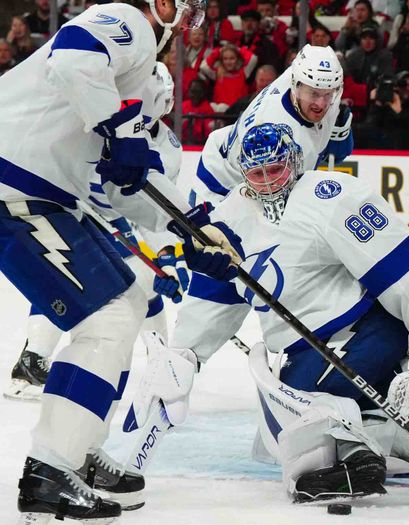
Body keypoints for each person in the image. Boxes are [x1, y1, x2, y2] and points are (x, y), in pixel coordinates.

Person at [165, 122, 409, 502]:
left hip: (367, 331)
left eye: (275, 170)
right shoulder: (230, 219)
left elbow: (399, 265)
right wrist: (185, 353)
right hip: (307, 349)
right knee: (289, 412)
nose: (268, 183)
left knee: (304, 416)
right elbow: (218, 296)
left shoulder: (329, 194)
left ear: (293, 160)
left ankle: (357, 458)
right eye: (257, 174)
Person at [0, 1, 244, 520]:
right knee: (108, 317)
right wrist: (119, 127)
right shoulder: (127, 21)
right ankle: (49, 470)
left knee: (130, 301)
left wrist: (196, 231)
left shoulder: (132, 79)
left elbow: (128, 186)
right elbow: (72, 56)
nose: (191, 24)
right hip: (14, 184)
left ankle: (77, 445)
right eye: (191, 10)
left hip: (42, 193)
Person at [5, 62, 185, 405]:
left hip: (119, 221)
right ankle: (32, 360)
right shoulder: (99, 122)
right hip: (75, 213)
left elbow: (155, 210)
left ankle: (161, 361)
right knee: (62, 273)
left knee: (143, 286)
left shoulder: (167, 148)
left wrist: (167, 256)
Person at [191, 44, 353, 206]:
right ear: (296, 86)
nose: (321, 104)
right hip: (219, 191)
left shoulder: (310, 77)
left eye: (328, 94)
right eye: (314, 94)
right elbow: (275, 206)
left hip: (244, 168)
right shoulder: (278, 134)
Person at [356, 70, 409, 150]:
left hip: (402, 146)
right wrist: (376, 104)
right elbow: (371, 125)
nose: (407, 88)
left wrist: (398, 111)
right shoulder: (383, 102)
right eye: (404, 85)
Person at [238, 9, 283, 76]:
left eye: (253, 21)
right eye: (246, 21)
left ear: (258, 24)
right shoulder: (235, 42)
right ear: (241, 23)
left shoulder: (267, 45)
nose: (249, 24)